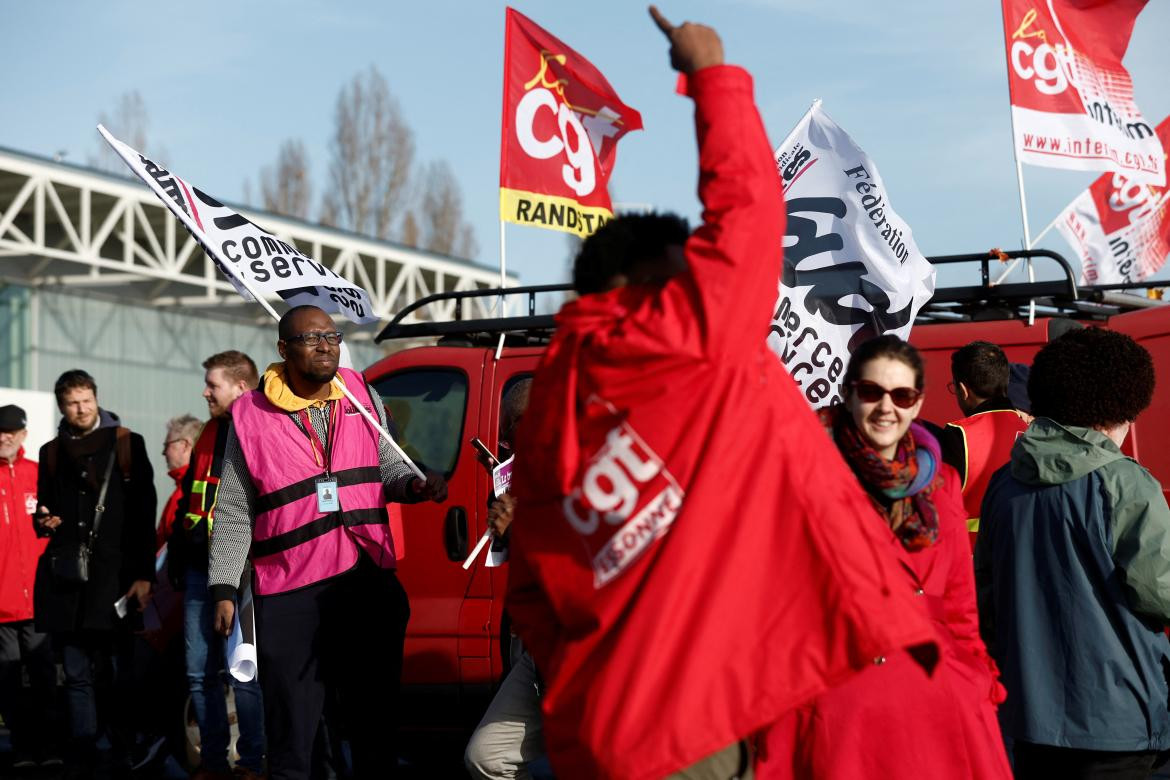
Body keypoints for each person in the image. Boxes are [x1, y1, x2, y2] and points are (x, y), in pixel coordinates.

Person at [505, 8, 938, 779]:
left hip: (604, 721)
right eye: (686, 268)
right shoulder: (674, 338)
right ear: (648, 284)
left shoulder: (546, 415)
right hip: (692, 729)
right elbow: (746, 213)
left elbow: (533, 595)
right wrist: (711, 75)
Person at [207, 306, 447, 780]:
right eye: (311, 338)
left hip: (366, 580)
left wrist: (414, 485)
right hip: (291, 590)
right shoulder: (249, 417)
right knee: (294, 735)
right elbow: (234, 507)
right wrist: (223, 587)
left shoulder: (362, 395)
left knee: (374, 728)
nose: (325, 346)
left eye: (332, 337)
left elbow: (391, 467)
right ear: (283, 349)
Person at [760, 336, 1012, 779]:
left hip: (937, 700)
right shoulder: (802, 473)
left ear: (917, 404)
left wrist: (978, 682)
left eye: (902, 395)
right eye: (871, 392)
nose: (885, 408)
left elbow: (960, 605)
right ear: (850, 393)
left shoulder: (942, 483)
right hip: (840, 704)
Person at [977, 327, 1170, 779]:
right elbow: (1161, 591)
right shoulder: (1125, 483)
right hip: (1121, 721)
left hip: (1025, 719)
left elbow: (985, 597)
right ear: (1117, 410)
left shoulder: (1004, 484)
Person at [33, 369, 157, 779]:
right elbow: (45, 510)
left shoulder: (127, 444)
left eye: (87, 400)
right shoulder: (50, 453)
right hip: (68, 582)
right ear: (61, 406)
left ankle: (120, 744)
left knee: (114, 669)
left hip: (115, 579)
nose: (81, 409)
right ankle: (85, 748)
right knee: (76, 671)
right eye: (73, 402)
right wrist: (44, 520)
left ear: (96, 399)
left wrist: (143, 575)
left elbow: (143, 515)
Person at [168, 350, 267, 780]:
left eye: (213, 384)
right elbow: (192, 493)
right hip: (197, 568)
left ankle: (251, 762)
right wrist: (177, 547)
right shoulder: (210, 430)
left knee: (244, 671)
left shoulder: (262, 429)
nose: (205, 391)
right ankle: (211, 763)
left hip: (246, 570)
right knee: (198, 673)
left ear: (241, 386)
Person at [465, 378, 550, 780]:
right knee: (487, 757)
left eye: (509, 430)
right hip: (532, 646)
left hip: (578, 650)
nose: (502, 444)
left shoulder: (588, 472)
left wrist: (519, 527)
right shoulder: (517, 480)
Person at [0, 404, 59, 772]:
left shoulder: (38, 475)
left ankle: (51, 748)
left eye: (10, 431)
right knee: (8, 681)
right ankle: (21, 750)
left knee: (44, 679)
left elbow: (56, 523)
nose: (3, 437)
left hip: (39, 599)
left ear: (23, 434)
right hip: (2, 603)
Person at [937, 341, 1029, 548]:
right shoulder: (1035, 431)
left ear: (963, 390)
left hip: (971, 563)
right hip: (1024, 557)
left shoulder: (958, 434)